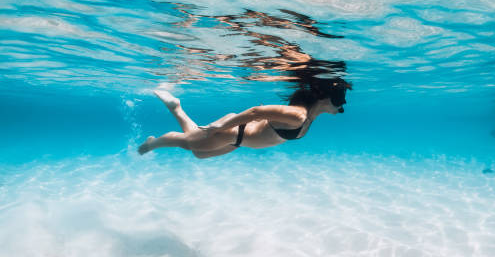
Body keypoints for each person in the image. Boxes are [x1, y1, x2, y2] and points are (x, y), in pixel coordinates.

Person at [138, 80, 350, 159]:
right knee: (186, 143)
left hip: (238, 141)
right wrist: (220, 126)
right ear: (324, 98)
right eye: (340, 100)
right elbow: (257, 111)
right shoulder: (298, 115)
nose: (341, 106)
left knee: (199, 153)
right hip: (234, 132)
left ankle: (176, 108)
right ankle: (153, 143)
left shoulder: (308, 115)